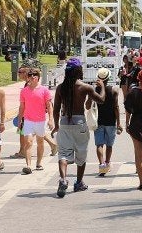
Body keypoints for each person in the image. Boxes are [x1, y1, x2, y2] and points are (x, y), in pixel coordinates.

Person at [52, 58, 106, 197]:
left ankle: (63, 179)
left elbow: (56, 108)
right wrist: (102, 87)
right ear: (78, 71)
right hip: (80, 123)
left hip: (64, 122)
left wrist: (56, 124)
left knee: (63, 153)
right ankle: (79, 182)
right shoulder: (85, 87)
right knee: (81, 153)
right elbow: (101, 100)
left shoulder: (60, 88)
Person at [17, 68, 54, 174]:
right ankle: (28, 166)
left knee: (40, 142)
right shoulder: (24, 91)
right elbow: (21, 107)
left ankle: (39, 163)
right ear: (27, 78)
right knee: (28, 142)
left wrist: (50, 119)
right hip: (28, 120)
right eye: (30, 75)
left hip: (41, 120)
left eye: (35, 75)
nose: (32, 76)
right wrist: (20, 121)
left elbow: (49, 105)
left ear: (38, 77)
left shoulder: (44, 90)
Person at [86, 68, 122, 177]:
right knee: (109, 145)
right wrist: (119, 123)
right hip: (111, 121)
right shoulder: (114, 90)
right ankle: (107, 162)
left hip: (98, 121)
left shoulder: (94, 90)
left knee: (99, 144)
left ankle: (101, 164)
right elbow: (116, 107)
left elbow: (87, 106)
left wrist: (90, 97)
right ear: (108, 78)